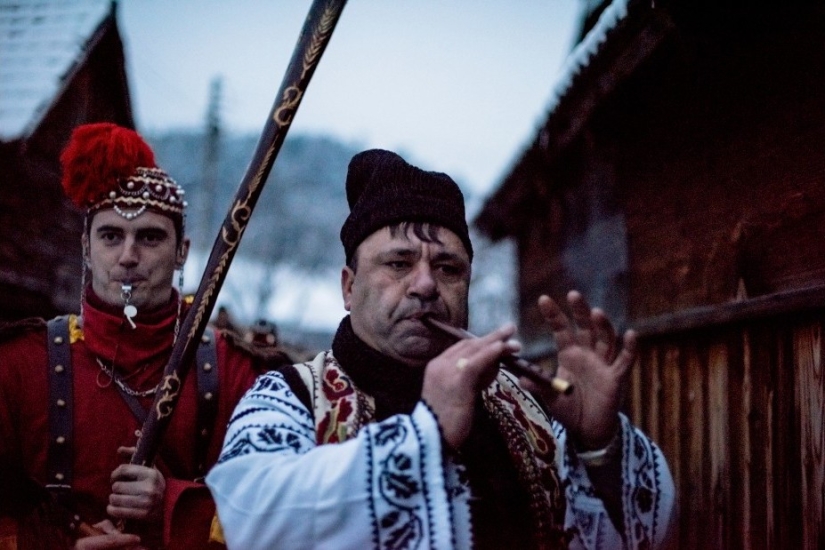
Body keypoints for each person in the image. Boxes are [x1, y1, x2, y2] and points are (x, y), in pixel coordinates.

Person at [206, 149, 676, 549]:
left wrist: (597, 447)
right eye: (398, 263)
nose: (426, 286)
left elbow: (643, 536)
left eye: (448, 268)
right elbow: (248, 515)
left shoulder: (520, 406)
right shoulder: (288, 396)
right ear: (349, 288)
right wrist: (427, 431)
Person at [0, 123, 291, 549]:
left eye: (150, 237)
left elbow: (281, 510)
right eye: (111, 236)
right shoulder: (18, 364)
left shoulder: (238, 372)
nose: (128, 256)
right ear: (86, 247)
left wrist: (177, 507)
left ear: (182, 253)